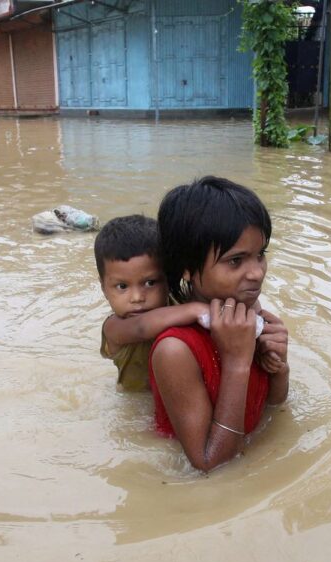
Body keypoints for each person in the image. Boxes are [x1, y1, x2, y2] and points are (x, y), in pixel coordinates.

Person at [150, 176, 289, 472]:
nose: (256, 273)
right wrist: (238, 361)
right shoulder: (176, 350)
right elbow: (210, 463)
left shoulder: (247, 311)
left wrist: (279, 365)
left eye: (260, 255)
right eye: (236, 261)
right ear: (187, 268)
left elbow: (272, 407)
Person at [95, 215, 210, 392]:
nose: (137, 297)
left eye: (150, 283)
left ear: (168, 278)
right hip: (136, 400)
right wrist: (197, 310)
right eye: (122, 286)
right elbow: (142, 328)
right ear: (103, 288)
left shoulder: (177, 303)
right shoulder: (114, 328)